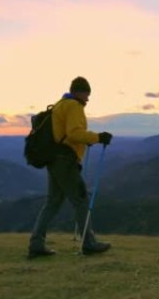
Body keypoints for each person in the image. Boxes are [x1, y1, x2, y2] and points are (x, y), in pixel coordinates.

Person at [28, 76, 112, 259]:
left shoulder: (60, 104)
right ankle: (88, 244)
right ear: (79, 92)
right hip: (65, 160)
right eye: (87, 95)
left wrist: (85, 140)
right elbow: (74, 133)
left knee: (52, 203)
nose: (87, 99)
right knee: (81, 200)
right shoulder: (74, 106)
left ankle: (36, 244)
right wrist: (98, 137)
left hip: (54, 159)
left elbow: (66, 133)